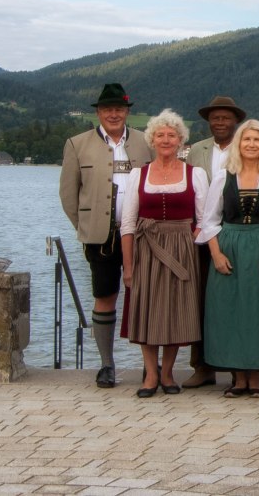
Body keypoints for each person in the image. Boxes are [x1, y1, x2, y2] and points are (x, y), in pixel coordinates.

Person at [58, 83, 152, 389]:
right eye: (107, 109)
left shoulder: (145, 142)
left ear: (127, 111)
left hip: (142, 235)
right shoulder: (77, 144)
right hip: (100, 237)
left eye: (119, 109)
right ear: (98, 112)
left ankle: (150, 366)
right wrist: (86, 226)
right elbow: (68, 196)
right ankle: (107, 364)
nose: (114, 114)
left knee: (145, 297)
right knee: (104, 296)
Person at [198, 119, 259, 397]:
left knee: (258, 312)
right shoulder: (223, 175)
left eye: (257, 140)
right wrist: (215, 254)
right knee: (229, 312)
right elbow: (209, 220)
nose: (251, 145)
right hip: (228, 246)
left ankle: (256, 378)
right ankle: (238, 378)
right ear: (238, 144)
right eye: (246, 140)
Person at [118, 109, 209, 398]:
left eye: (172, 135)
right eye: (161, 135)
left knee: (174, 311)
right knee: (146, 309)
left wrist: (189, 236)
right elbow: (128, 223)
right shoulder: (138, 174)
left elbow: (206, 219)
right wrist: (128, 266)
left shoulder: (195, 174)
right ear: (152, 140)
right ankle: (151, 374)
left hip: (182, 251)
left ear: (181, 140)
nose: (166, 139)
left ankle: (168, 372)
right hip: (147, 249)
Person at [183, 95, 246, 389]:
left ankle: (237, 367)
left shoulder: (247, 147)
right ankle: (202, 366)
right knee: (201, 302)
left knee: (234, 302)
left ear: (236, 121)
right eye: (215, 118)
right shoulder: (196, 150)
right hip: (201, 236)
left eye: (225, 118)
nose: (220, 122)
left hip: (235, 233)